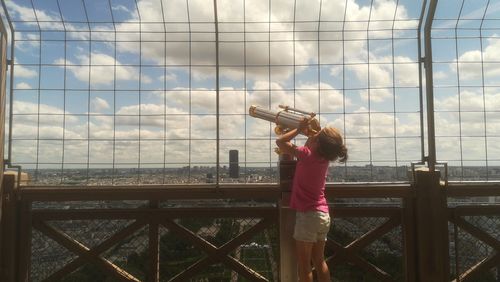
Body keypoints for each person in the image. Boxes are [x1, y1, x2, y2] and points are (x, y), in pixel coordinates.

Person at [276, 119, 348, 282]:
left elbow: (280, 142)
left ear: (318, 144)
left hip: (308, 216)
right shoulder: (324, 159)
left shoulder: (306, 155)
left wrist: (298, 129)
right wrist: (314, 136)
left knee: (304, 265)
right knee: (319, 260)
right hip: (323, 215)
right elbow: (311, 148)